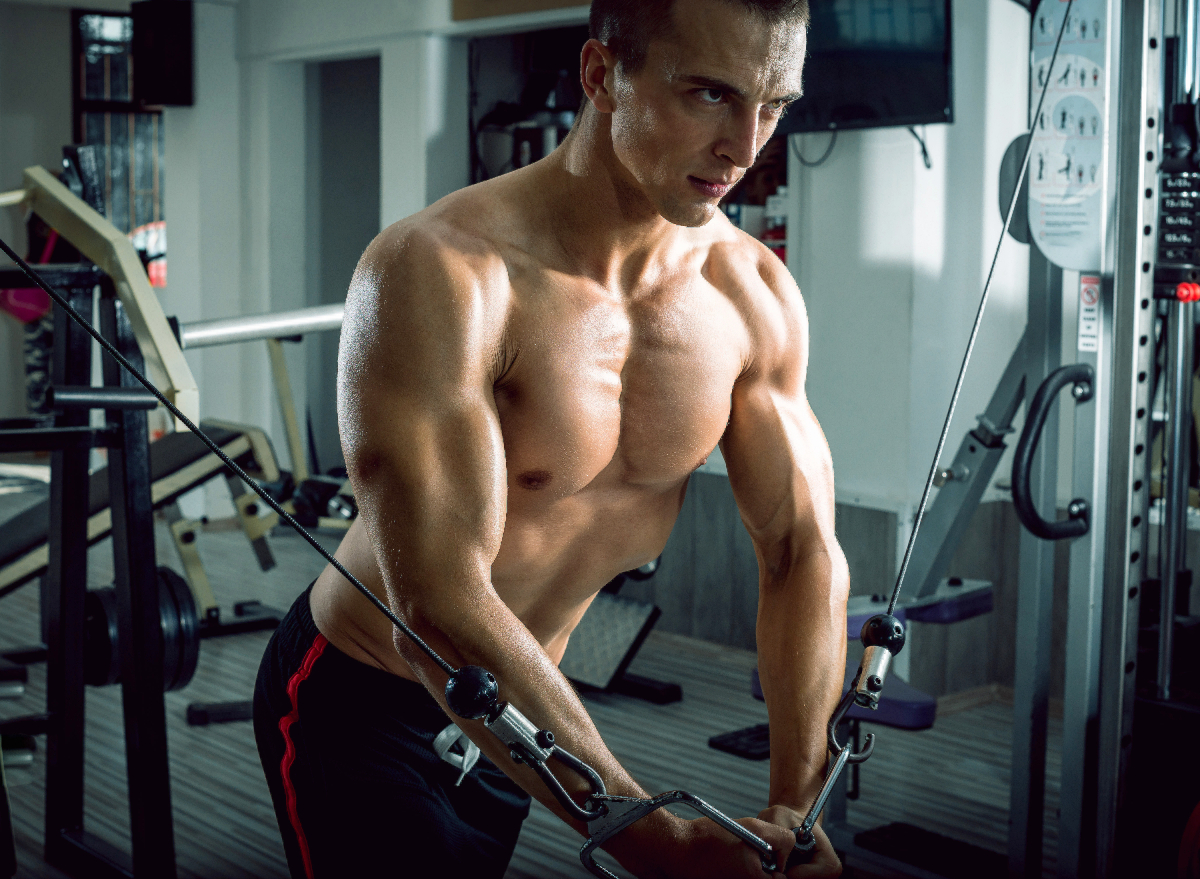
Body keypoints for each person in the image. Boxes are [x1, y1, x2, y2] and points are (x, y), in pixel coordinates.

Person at [253, 0, 849, 876]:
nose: (747, 145)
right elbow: (437, 605)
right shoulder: (443, 272)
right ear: (602, 76)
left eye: (776, 104)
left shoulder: (752, 294)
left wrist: (797, 808)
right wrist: (647, 831)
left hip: (530, 721)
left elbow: (800, 549)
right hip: (366, 701)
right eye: (710, 95)